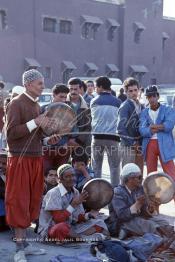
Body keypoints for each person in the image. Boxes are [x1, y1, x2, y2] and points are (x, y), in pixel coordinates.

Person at [5, 69, 59, 262]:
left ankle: (25, 244)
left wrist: (47, 140)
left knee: (32, 200)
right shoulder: (16, 103)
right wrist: (35, 122)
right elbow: (10, 134)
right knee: (19, 201)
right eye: (39, 83)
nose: (43, 87)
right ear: (28, 84)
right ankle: (19, 248)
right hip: (20, 160)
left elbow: (33, 135)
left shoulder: (36, 105)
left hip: (36, 158)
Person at [38, 164, 109, 242]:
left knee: (99, 222)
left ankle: (76, 237)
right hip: (52, 228)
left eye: (73, 175)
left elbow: (77, 218)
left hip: (71, 227)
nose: (71, 179)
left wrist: (88, 215)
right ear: (60, 179)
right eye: (67, 176)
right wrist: (73, 204)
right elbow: (58, 220)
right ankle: (83, 238)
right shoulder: (53, 193)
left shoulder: (75, 192)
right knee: (61, 228)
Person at [108, 163, 173, 240]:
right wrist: (137, 205)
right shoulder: (117, 192)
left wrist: (150, 208)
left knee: (162, 222)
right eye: (139, 177)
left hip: (137, 218)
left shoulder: (140, 189)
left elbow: (144, 212)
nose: (141, 179)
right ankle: (164, 240)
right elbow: (122, 216)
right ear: (130, 179)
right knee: (149, 225)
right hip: (120, 223)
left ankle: (170, 235)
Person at [139, 85, 175, 180]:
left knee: (170, 172)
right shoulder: (144, 112)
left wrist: (152, 127)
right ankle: (152, 194)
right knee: (151, 174)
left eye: (154, 96)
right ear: (147, 98)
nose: (152, 99)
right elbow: (142, 130)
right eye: (149, 97)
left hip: (165, 143)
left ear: (158, 96)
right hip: (149, 143)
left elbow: (169, 125)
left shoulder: (168, 109)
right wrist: (160, 126)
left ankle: (173, 194)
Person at [90, 76, 121, 187]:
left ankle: (97, 190)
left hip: (97, 137)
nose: (95, 89)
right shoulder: (118, 102)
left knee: (96, 166)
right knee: (114, 166)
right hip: (113, 138)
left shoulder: (94, 101)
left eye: (95, 87)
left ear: (101, 87)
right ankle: (115, 191)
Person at [42, 83, 72, 171]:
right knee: (46, 175)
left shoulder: (69, 111)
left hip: (63, 149)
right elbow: (38, 131)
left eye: (65, 97)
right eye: (61, 97)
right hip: (46, 149)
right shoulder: (43, 109)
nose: (63, 100)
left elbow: (73, 131)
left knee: (62, 176)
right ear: (53, 95)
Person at [117, 77, 144, 173]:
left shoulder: (141, 106)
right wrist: (133, 143)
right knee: (128, 175)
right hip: (128, 146)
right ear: (126, 92)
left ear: (139, 90)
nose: (133, 93)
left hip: (140, 145)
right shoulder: (125, 106)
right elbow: (120, 129)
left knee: (138, 175)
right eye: (130, 91)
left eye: (135, 90)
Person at [67, 78, 91, 159]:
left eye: (75, 89)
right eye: (71, 89)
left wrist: (77, 141)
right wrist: (68, 140)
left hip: (81, 143)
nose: (73, 91)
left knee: (79, 167)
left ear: (81, 89)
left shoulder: (87, 106)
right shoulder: (63, 103)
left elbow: (88, 127)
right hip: (65, 142)